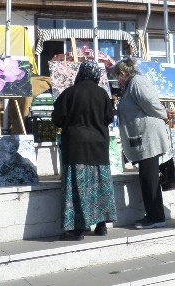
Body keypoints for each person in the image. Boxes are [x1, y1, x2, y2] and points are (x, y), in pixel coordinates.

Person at [52, 61, 117, 240]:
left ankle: (78, 229)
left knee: (77, 187)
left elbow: (57, 119)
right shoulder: (102, 94)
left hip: (75, 145)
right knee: (100, 186)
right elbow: (109, 118)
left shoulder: (69, 93)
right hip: (98, 146)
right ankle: (101, 225)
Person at [113, 57, 171, 229]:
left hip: (149, 136)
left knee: (149, 177)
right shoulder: (131, 85)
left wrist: (164, 114)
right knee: (148, 176)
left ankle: (155, 216)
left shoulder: (137, 82)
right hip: (144, 136)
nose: (117, 80)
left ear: (123, 73)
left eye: (118, 76)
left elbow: (151, 103)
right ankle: (154, 214)